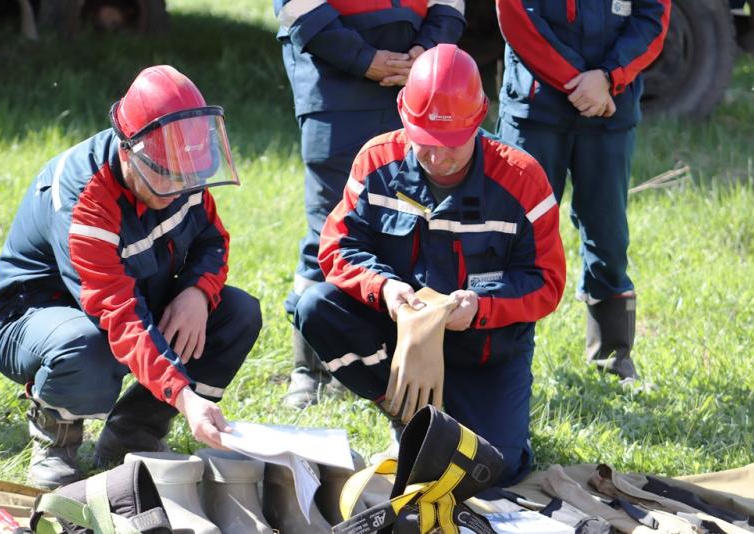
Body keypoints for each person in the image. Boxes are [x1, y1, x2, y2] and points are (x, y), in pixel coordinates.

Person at [0, 65, 262, 489]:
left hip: (128, 302)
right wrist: (186, 398)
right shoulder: (84, 201)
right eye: (164, 177)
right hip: (33, 318)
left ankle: (132, 432)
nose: (177, 190)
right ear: (129, 151)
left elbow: (212, 240)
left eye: (187, 176)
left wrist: (197, 293)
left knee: (237, 313)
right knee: (85, 344)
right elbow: (119, 314)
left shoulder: (178, 166)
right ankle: (56, 441)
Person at [295, 44, 566, 485]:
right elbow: (336, 249)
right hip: (399, 335)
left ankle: (456, 418)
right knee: (315, 307)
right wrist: (384, 289)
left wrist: (480, 307)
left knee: (495, 472)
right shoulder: (375, 162)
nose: (439, 158)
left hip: (483, 350)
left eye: (452, 146)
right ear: (404, 118)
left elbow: (547, 283)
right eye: (426, 145)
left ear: (480, 122)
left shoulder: (523, 180)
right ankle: (404, 410)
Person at [273, 0, 466, 409]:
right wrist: (365, 59)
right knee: (329, 229)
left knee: (408, 224)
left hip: (416, 87)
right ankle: (308, 367)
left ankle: (376, 356)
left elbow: (450, 5)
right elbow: (296, 7)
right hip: (334, 85)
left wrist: (426, 52)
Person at [495, 0, 671, 380]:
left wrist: (608, 77)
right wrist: (580, 81)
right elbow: (516, 14)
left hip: (610, 106)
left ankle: (612, 358)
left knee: (608, 231)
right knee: (512, 232)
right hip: (536, 108)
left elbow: (653, 18)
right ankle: (498, 357)